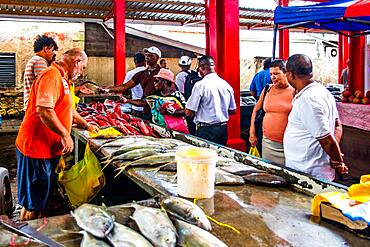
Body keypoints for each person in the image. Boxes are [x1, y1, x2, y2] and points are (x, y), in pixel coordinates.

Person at [15, 48, 99, 221]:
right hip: (36, 149)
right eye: (83, 68)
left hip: (47, 149)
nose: (82, 73)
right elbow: (44, 110)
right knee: (34, 202)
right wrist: (65, 135)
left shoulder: (64, 80)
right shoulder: (51, 75)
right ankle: (28, 237)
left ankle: (38, 232)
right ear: (76, 62)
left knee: (41, 199)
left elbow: (68, 108)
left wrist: (86, 124)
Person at [283, 54, 348, 181]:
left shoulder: (308, 99)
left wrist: (338, 161)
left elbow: (327, 140)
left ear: (291, 75)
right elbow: (337, 125)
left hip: (309, 171)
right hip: (305, 167)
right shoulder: (322, 91)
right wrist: (335, 154)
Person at [249, 59, 295, 166]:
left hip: (289, 145)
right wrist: (252, 133)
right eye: (271, 74)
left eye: (276, 74)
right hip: (268, 143)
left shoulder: (295, 91)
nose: (273, 77)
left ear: (285, 73)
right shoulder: (267, 89)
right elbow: (255, 111)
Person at [185, 55, 237, 146]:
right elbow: (233, 110)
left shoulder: (200, 85)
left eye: (198, 69)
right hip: (222, 129)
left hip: (206, 130)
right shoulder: (226, 85)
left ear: (202, 67)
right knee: (219, 156)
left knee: (205, 158)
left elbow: (189, 112)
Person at [121, 69, 188, 133]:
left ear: (164, 81)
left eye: (157, 81)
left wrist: (169, 112)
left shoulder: (177, 96)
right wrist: (127, 100)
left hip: (176, 131)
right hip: (159, 130)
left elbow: (186, 111)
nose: (154, 83)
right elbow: (143, 102)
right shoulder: (155, 94)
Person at [105, 46, 162, 121]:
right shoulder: (142, 73)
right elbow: (125, 86)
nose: (147, 57)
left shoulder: (162, 73)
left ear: (157, 58)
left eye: (151, 55)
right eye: (147, 55)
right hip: (145, 110)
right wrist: (108, 89)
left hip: (159, 111)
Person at [23, 35, 58, 111]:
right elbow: (46, 86)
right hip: (36, 108)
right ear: (46, 49)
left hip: (32, 106)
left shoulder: (34, 60)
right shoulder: (40, 61)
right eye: (52, 50)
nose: (53, 54)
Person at [123, 53, 147, 118]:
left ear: (135, 62)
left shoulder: (130, 74)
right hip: (148, 108)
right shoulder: (149, 72)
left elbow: (125, 89)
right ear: (145, 61)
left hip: (135, 107)